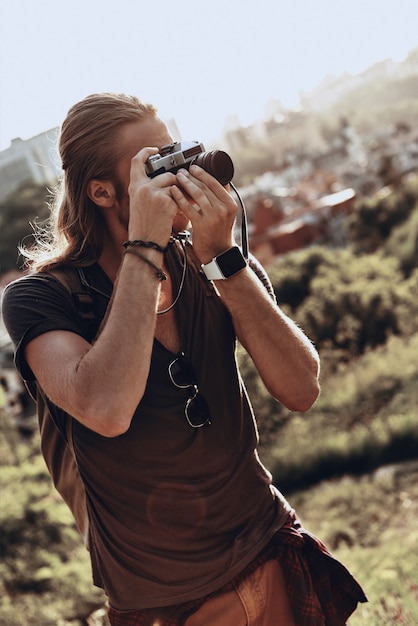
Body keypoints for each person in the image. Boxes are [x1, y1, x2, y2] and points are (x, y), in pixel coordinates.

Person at [2, 93, 366, 625]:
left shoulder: (210, 260)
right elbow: (106, 408)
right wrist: (144, 246)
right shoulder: (41, 298)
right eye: (157, 166)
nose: (180, 176)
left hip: (269, 552)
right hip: (169, 603)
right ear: (102, 192)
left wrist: (225, 261)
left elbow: (301, 388)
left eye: (177, 153)